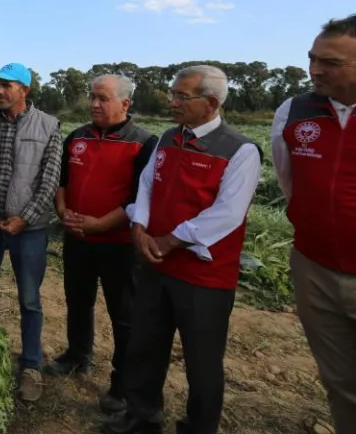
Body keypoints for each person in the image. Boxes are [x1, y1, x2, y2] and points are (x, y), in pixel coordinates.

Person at [104, 65, 262, 434]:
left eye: (181, 96)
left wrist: (171, 239)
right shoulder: (168, 138)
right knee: (145, 346)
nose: (172, 102)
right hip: (156, 264)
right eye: (172, 94)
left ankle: (199, 426)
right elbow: (147, 185)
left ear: (211, 103)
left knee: (201, 360)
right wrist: (139, 225)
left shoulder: (240, 150)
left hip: (203, 276)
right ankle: (142, 417)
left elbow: (228, 213)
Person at [47, 74, 157, 414]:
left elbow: (140, 198)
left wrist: (100, 224)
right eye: (92, 97)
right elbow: (62, 181)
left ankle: (123, 383)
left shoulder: (144, 143)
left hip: (119, 244)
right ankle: (77, 354)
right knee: (78, 301)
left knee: (124, 315)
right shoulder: (77, 137)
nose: (94, 104)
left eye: (102, 98)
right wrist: (63, 211)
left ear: (125, 103)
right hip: (78, 239)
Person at [271, 14, 356, 433]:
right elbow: (289, 183)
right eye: (312, 58)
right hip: (314, 268)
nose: (315, 70)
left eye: (331, 63)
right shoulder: (294, 111)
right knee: (340, 382)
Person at [0, 62, 63, 403]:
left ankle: (31, 366)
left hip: (29, 230)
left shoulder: (48, 126)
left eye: (7, 85)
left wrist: (26, 217)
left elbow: (50, 180)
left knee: (30, 299)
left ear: (25, 90)